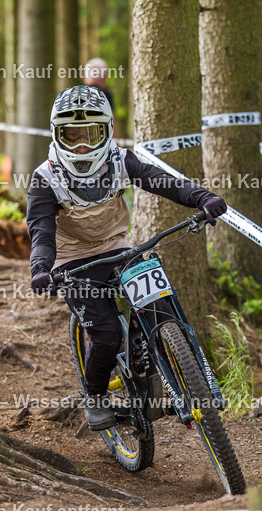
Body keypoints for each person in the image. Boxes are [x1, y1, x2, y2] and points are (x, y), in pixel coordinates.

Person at [25, 85, 227, 430]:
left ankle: (185, 375)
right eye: (71, 137)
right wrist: (41, 268)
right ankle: (95, 395)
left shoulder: (120, 161)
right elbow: (41, 231)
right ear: (56, 135)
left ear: (107, 132)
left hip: (119, 248)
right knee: (106, 335)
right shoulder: (45, 179)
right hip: (72, 263)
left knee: (160, 307)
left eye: (91, 135)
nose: (82, 146)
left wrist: (201, 198)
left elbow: (161, 180)